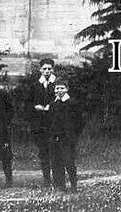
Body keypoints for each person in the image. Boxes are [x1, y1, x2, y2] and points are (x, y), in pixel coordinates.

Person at [47, 80, 85, 192]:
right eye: (57, 88)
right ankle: (60, 186)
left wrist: (73, 134)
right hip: (55, 138)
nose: (59, 91)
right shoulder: (53, 105)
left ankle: (73, 185)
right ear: (54, 91)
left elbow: (80, 121)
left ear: (67, 89)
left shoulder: (72, 103)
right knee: (56, 162)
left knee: (69, 161)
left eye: (62, 88)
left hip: (68, 139)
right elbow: (50, 121)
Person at [28, 58, 57, 187]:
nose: (47, 71)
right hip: (39, 124)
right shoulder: (35, 85)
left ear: (53, 70)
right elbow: (28, 103)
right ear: (40, 70)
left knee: (55, 151)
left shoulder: (57, 84)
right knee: (43, 152)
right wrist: (35, 107)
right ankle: (46, 179)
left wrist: (52, 106)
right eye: (44, 69)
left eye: (49, 69)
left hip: (54, 123)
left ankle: (57, 178)